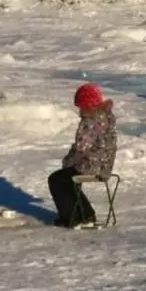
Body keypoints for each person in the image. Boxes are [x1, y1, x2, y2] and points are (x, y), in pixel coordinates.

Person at [48, 83, 117, 229]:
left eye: (80, 106)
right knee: (68, 179)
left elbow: (81, 149)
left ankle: (73, 218)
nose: (79, 110)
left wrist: (67, 162)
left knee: (57, 179)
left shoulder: (89, 122)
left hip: (90, 165)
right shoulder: (106, 117)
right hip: (104, 166)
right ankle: (87, 214)